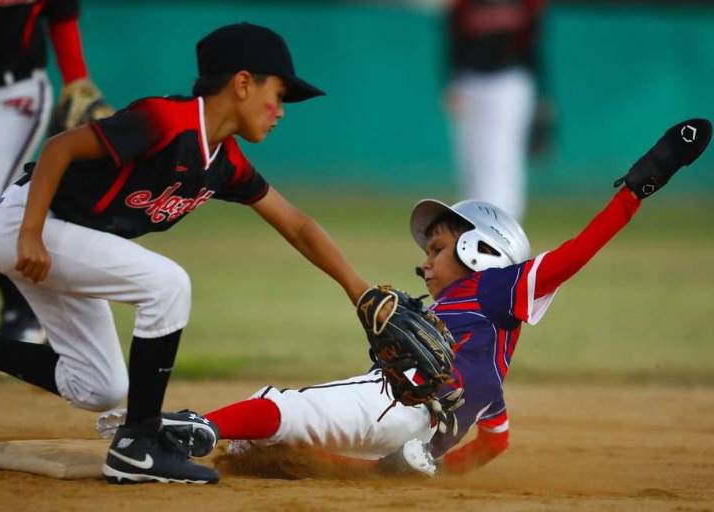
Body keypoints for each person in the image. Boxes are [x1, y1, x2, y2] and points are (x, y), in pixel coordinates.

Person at [98, 118, 711, 477]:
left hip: (392, 407)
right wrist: (432, 468)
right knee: (276, 446)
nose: (424, 260)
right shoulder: (485, 337)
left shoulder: (498, 287)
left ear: (479, 254)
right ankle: (225, 445)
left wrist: (643, 179)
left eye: (439, 247)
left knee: (280, 406)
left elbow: (576, 253)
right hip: (404, 437)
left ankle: (185, 430)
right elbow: (496, 437)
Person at [0, 22, 391, 485]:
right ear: (242, 84)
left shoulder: (225, 160)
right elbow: (59, 148)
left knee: (99, 386)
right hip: (26, 225)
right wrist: (32, 233)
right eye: (278, 94)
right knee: (167, 283)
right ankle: (138, 445)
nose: (280, 110)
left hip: (63, 237)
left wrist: (359, 291)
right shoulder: (166, 119)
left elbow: (296, 225)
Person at [0, 0, 110, 342]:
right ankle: (24, 310)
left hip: (17, 96)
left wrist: (76, 79)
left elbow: (62, 16)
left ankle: (30, 309)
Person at [445, 0, 550, 221]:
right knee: (472, 157)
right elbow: (452, 36)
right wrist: (451, 81)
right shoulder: (464, 4)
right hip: (469, 80)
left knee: (503, 155)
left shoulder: (525, 4)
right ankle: (472, 223)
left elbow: (536, 44)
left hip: (510, 81)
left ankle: (505, 225)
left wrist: (543, 94)